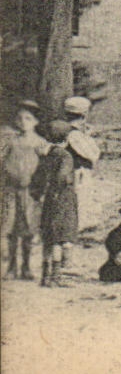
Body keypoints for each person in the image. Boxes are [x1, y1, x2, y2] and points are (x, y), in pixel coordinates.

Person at [3, 100, 48, 279]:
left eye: (28, 118)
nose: (23, 122)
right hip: (11, 191)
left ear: (35, 122)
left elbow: (45, 167)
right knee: (12, 228)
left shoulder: (40, 143)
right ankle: (12, 266)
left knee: (28, 229)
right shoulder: (11, 142)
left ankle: (27, 266)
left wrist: (40, 187)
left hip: (31, 192)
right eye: (20, 118)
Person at [30, 121, 78, 287]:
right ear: (66, 138)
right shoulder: (66, 156)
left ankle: (45, 276)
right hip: (63, 198)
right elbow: (63, 177)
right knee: (62, 236)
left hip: (49, 198)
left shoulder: (46, 156)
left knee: (50, 237)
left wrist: (38, 194)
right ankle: (58, 275)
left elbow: (37, 178)